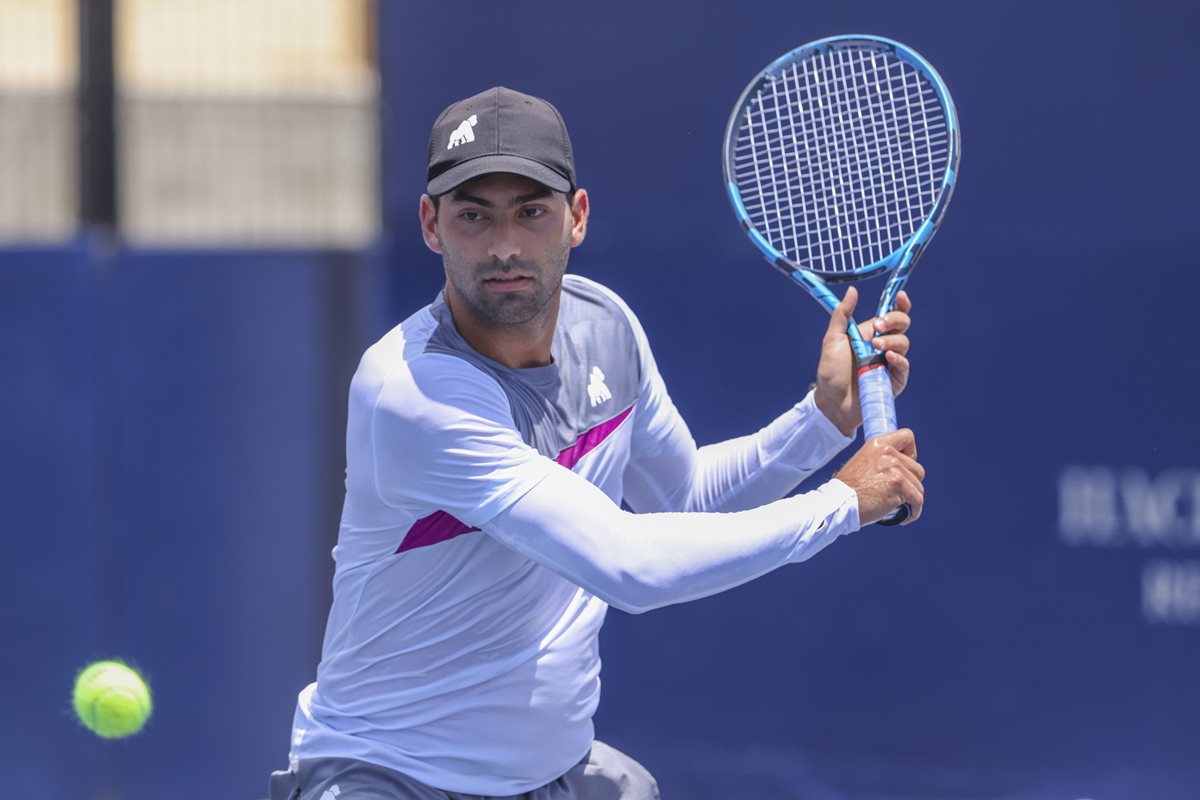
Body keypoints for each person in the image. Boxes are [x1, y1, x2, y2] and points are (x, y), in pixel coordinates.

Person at [268, 86, 923, 800]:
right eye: (473, 216)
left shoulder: (607, 326)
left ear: (576, 216)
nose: (504, 246)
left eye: (531, 212)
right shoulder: (414, 390)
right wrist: (840, 503)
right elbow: (628, 565)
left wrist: (822, 420)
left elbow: (683, 499)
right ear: (432, 224)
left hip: (552, 777)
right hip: (388, 776)